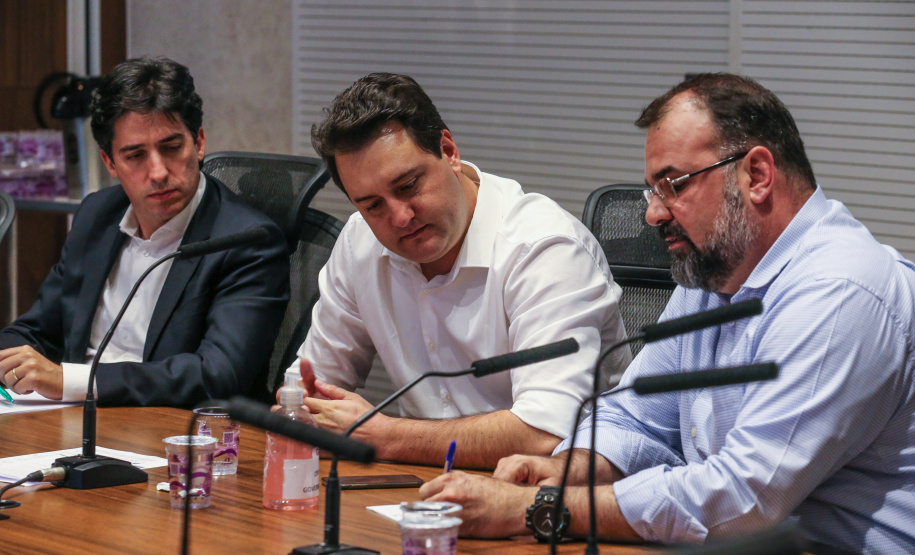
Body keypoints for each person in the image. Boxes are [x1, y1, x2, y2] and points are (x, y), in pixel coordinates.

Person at [419, 73, 915, 553]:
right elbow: (635, 415)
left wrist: (539, 507)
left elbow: (743, 499)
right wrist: (576, 466)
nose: (654, 213)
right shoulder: (715, 270)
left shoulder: (839, 292)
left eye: (673, 185)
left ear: (757, 175)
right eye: (652, 191)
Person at [290, 73, 630, 468]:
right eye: (372, 206)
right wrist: (297, 412)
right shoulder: (359, 242)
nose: (399, 217)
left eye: (408, 186)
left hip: (547, 499)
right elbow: (309, 390)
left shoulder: (544, 248)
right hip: (417, 490)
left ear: (448, 151)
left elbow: (545, 433)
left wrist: (386, 437)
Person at [0, 56, 289, 407]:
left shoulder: (248, 240)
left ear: (198, 143)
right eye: (135, 155)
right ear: (110, 163)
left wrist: (71, 381)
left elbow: (217, 374)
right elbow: (34, 332)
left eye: (171, 148)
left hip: (168, 434)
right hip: (70, 418)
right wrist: (13, 363)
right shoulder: (97, 215)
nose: (157, 172)